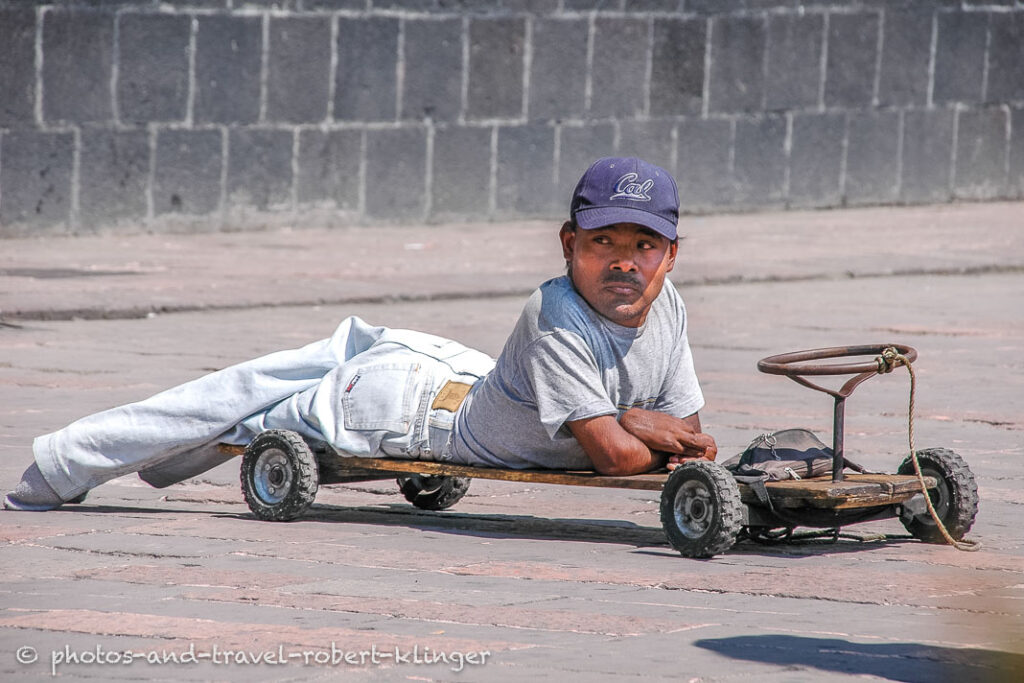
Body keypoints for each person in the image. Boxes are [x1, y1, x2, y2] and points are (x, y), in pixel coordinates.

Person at [4, 157, 716, 511]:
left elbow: (692, 434)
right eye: (603, 242)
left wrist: (649, 425)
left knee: (247, 397)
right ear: (568, 245)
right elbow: (624, 455)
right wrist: (632, 418)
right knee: (241, 407)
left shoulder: (670, 304)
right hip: (393, 403)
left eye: (645, 245)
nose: (625, 260)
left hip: (455, 376)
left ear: (672, 255)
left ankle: (81, 462)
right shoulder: (556, 310)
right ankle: (62, 466)